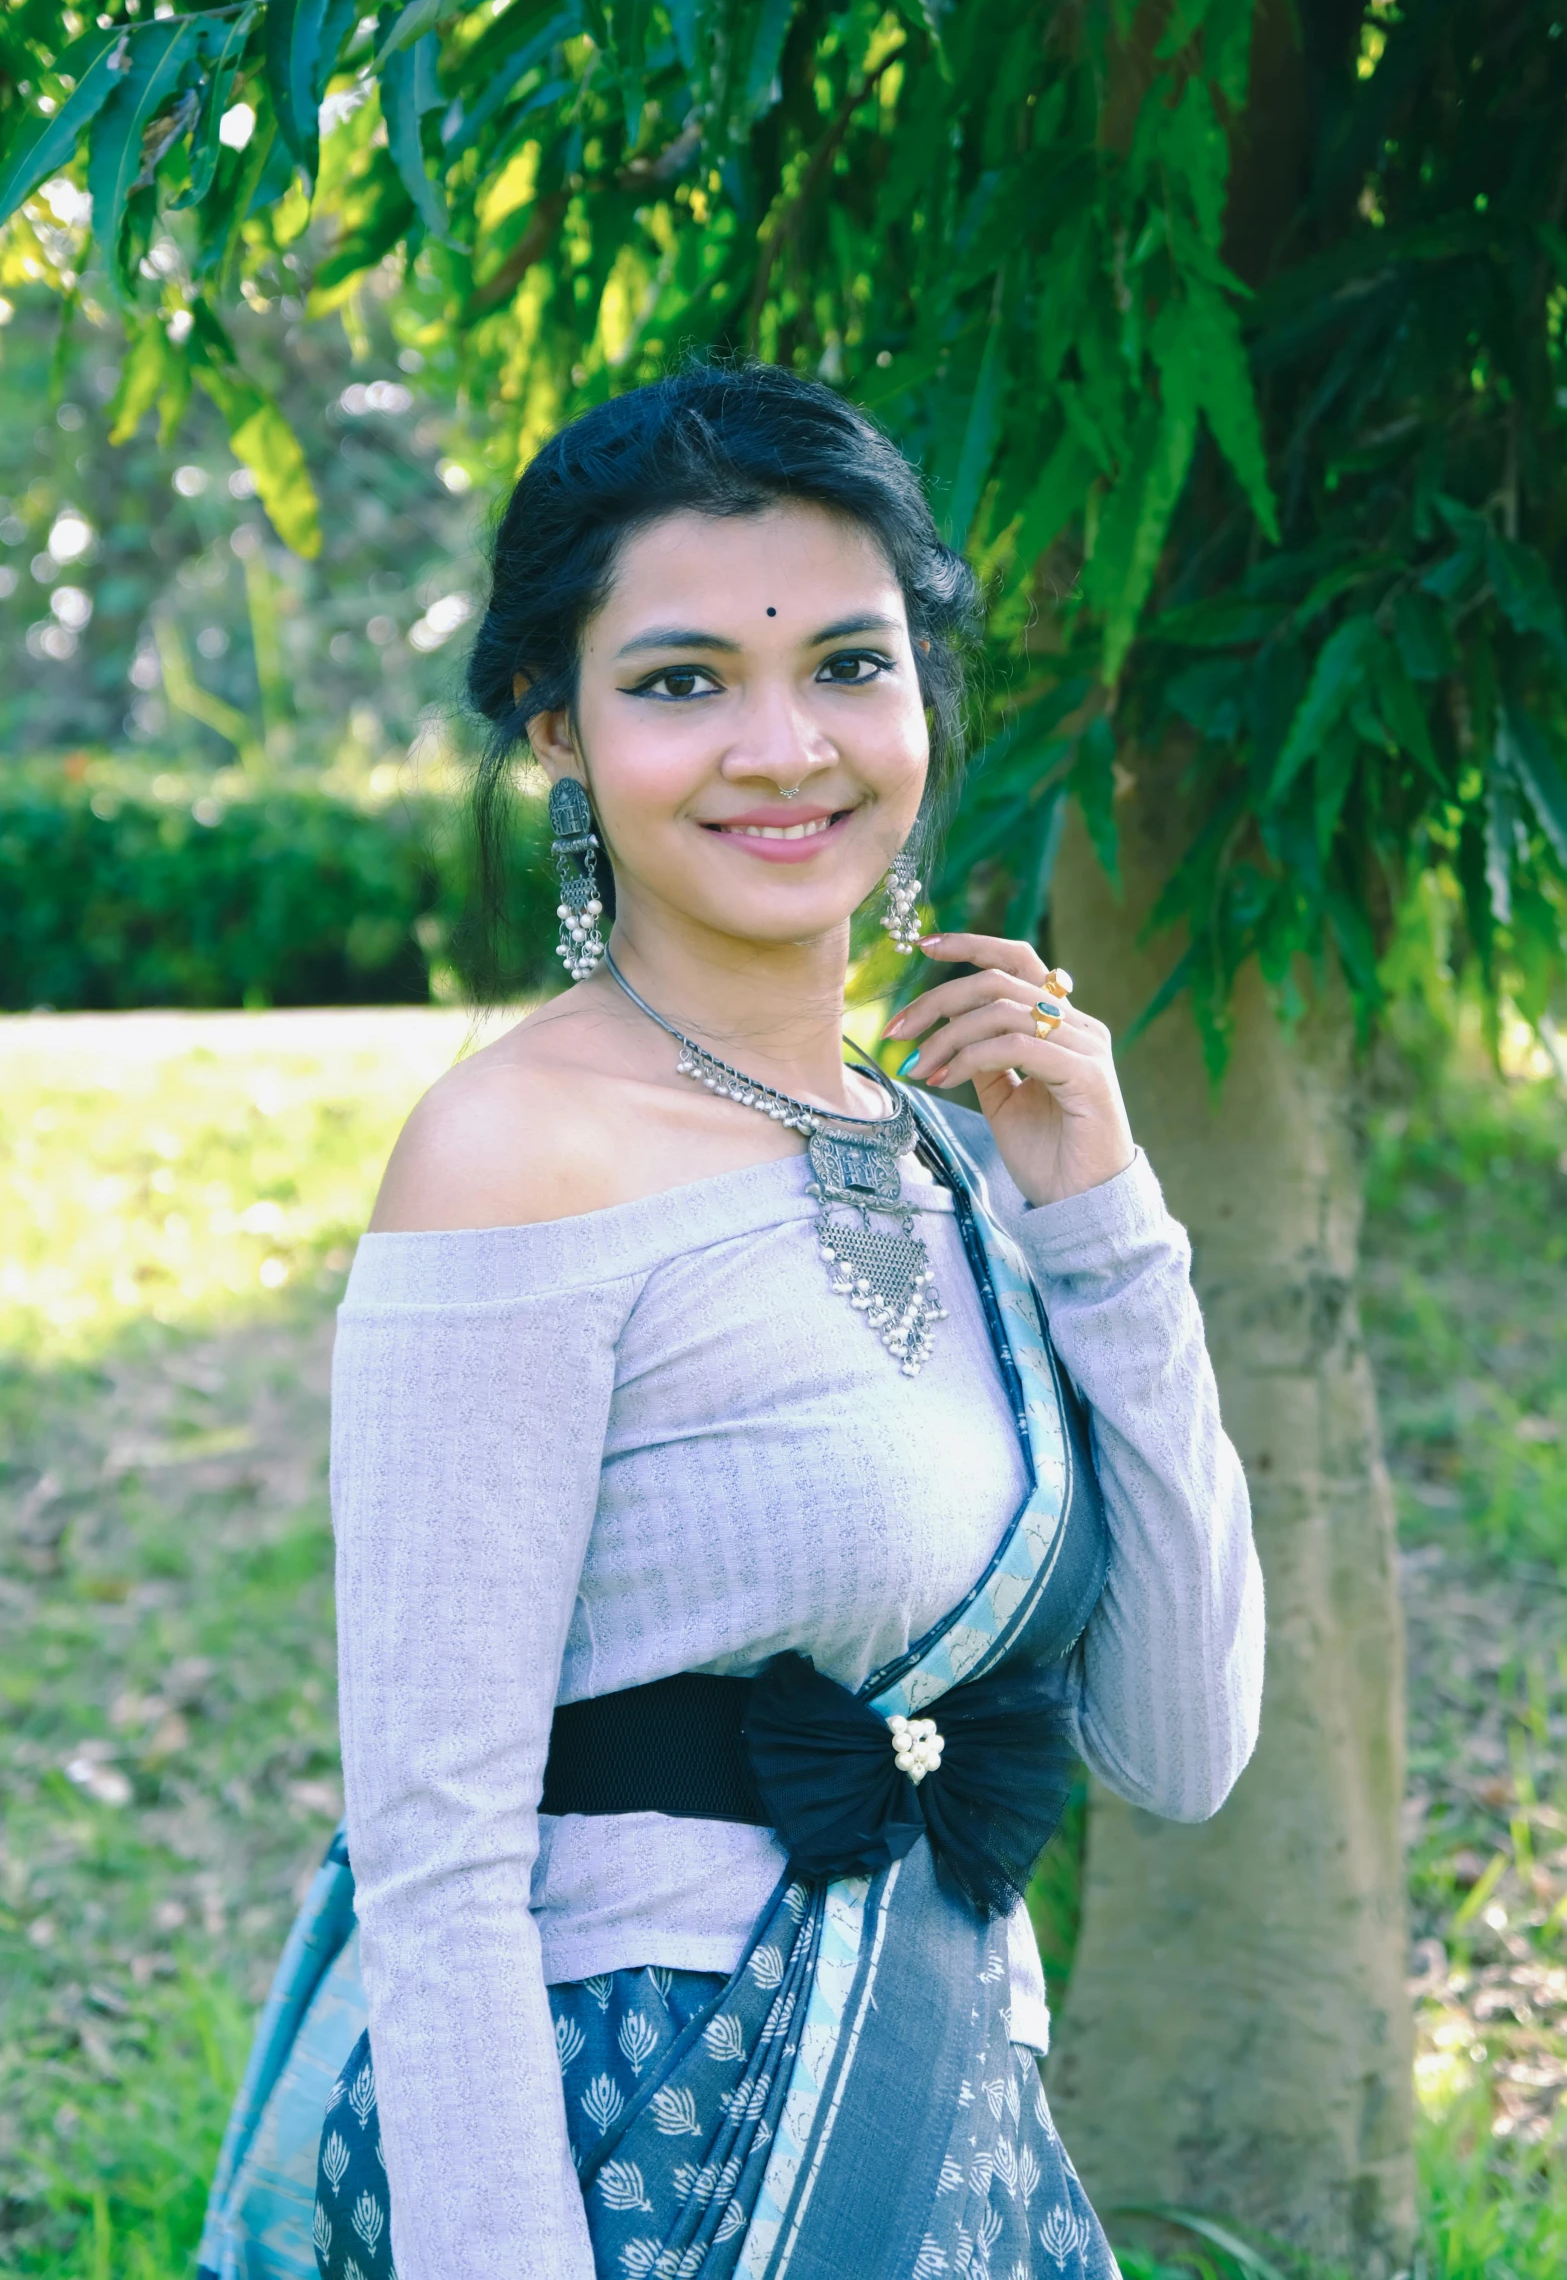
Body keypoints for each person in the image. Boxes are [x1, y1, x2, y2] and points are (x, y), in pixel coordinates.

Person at [198, 363, 1263, 2280]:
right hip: (627, 2152)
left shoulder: (966, 1157)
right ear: (558, 724)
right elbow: (434, 1853)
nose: (784, 746)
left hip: (948, 2125)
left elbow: (1177, 1745)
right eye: (682, 680)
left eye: (849, 664)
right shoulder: (516, 1150)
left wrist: (1105, 1219)